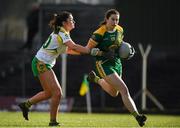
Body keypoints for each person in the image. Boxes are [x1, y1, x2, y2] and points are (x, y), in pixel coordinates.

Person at [18, 11, 99, 126]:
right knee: (57, 93)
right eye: (71, 20)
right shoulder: (62, 32)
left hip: (41, 62)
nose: (73, 21)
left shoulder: (62, 33)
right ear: (64, 23)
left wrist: (86, 52)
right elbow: (74, 47)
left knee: (48, 93)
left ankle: (25, 105)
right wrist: (89, 50)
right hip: (41, 63)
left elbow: (69, 50)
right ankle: (53, 122)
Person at [86, 9, 147, 127]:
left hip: (116, 62)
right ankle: (138, 117)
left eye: (117, 19)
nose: (115, 22)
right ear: (106, 19)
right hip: (104, 64)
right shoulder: (99, 33)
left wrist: (127, 49)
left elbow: (119, 43)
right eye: (112, 19)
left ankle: (95, 79)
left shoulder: (120, 29)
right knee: (124, 90)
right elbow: (88, 50)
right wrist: (103, 54)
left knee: (114, 93)